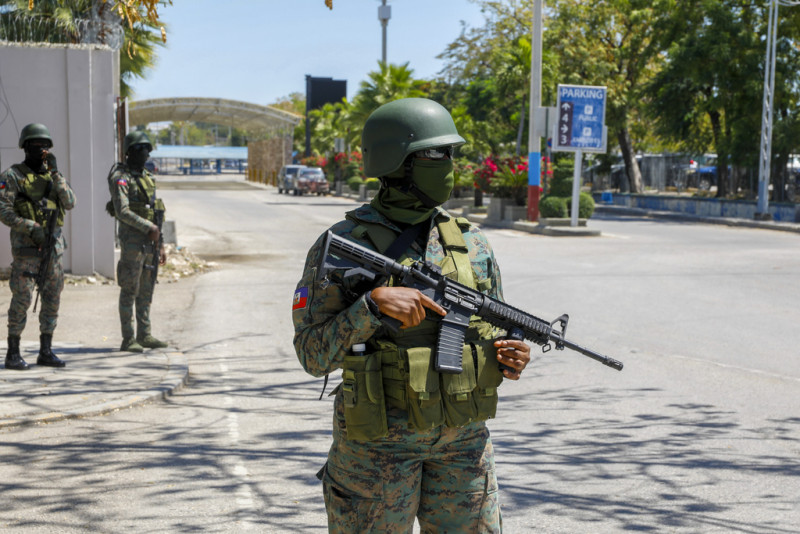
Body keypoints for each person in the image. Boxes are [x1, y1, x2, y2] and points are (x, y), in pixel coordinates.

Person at [292, 98, 531, 532]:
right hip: (375, 452)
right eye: (437, 154)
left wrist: (510, 355)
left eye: (451, 154)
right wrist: (371, 306)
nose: (450, 165)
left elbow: (492, 333)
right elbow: (312, 355)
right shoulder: (343, 244)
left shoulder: (472, 243)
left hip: (463, 446)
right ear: (396, 163)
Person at [0, 123, 76, 370]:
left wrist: (56, 173)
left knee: (52, 298)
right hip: (27, 250)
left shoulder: (53, 176)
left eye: (45, 145)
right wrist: (30, 227)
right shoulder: (12, 176)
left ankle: (46, 350)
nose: (41, 149)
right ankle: (13, 353)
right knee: (22, 299)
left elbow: (70, 202)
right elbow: (3, 210)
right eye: (36, 145)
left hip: (53, 249)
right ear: (25, 147)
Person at [108, 131, 167, 353]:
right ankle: (128, 338)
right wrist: (147, 228)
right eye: (141, 149)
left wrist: (161, 243)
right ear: (130, 152)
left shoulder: (148, 178)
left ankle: (145, 334)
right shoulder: (121, 178)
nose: (145, 154)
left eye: (147, 150)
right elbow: (122, 211)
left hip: (150, 242)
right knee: (129, 289)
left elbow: (156, 213)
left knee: (146, 290)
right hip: (132, 242)